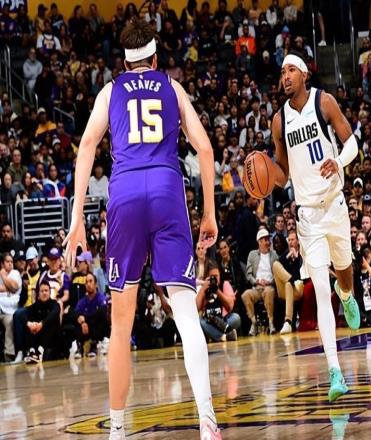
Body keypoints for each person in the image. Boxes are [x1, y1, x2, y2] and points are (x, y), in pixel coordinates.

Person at [63, 19, 221, 440]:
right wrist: (209, 213)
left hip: (126, 193)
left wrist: (76, 217)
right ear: (155, 58)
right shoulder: (173, 88)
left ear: (125, 62)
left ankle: (117, 431)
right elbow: (205, 149)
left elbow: (86, 146)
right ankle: (207, 421)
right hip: (168, 190)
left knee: (121, 324)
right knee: (185, 312)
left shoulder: (110, 91)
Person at [271, 51, 360, 402]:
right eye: (282, 72)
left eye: (291, 70)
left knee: (344, 274)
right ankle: (335, 371)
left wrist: (338, 161)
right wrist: (261, 176)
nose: (285, 76)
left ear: (305, 74)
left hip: (335, 205)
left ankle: (347, 294)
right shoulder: (279, 121)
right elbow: (281, 174)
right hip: (308, 215)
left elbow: (351, 142)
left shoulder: (324, 103)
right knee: (321, 291)